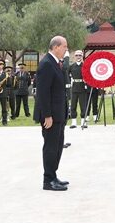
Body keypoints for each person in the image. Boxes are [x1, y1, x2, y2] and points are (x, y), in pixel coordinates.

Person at [35, 36, 69, 191]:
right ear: (56, 47)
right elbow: (43, 93)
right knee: (50, 147)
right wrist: (47, 115)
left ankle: (53, 176)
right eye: (64, 47)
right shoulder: (46, 64)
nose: (66, 50)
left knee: (57, 147)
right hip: (51, 116)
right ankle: (48, 181)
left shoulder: (55, 63)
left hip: (58, 114)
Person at [68, 51, 87, 129]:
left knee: (83, 105)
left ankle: (83, 122)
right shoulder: (72, 66)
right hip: (74, 87)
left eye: (80, 55)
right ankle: (74, 122)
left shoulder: (85, 66)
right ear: (74, 56)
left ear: (82, 56)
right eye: (77, 55)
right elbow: (67, 76)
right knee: (73, 105)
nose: (78, 57)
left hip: (82, 87)